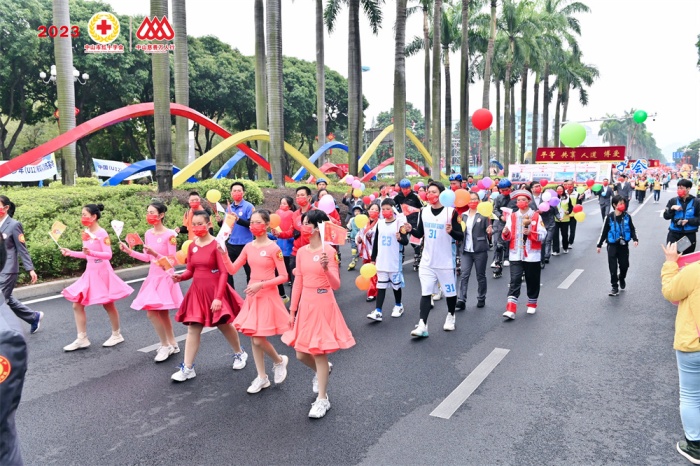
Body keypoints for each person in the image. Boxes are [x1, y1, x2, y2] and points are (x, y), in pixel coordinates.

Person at [282, 210, 355, 419]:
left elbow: (336, 284)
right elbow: (298, 282)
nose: (303, 226)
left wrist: (326, 268)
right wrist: (292, 311)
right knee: (300, 353)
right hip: (306, 304)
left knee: (318, 351)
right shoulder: (302, 252)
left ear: (317, 227)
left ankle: (323, 399)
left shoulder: (328, 251)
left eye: (307, 223)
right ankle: (322, 370)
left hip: (323, 302)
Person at [171, 210, 247, 382]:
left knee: (224, 325)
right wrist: (180, 277)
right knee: (193, 328)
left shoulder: (217, 244)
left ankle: (239, 353)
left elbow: (223, 273)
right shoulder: (192, 245)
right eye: (194, 224)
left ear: (209, 224)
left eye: (200, 224)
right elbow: (191, 270)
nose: (196, 227)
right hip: (197, 292)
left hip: (215, 291)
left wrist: (218, 298)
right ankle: (188, 368)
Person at [220, 210, 290, 394]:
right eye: (251, 222)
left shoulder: (274, 248)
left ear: (266, 224)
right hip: (253, 295)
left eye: (257, 222)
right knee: (254, 337)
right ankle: (262, 377)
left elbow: (284, 276)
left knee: (258, 339)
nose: (253, 225)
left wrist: (261, 284)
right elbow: (232, 270)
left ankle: (279, 361)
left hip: (267, 294)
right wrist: (224, 254)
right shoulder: (248, 247)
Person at [61, 204, 134, 351]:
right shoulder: (86, 232)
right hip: (90, 272)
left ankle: (116, 334)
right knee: (77, 304)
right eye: (81, 215)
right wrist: (71, 253)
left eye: (85, 215)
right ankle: (82, 338)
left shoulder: (102, 233)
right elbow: (87, 254)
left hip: (102, 272)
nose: (82, 217)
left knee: (108, 304)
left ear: (94, 216)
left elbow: (108, 254)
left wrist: (91, 253)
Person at [119, 202, 182, 362]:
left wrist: (156, 254)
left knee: (152, 313)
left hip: (165, 277)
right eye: (148, 212)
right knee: (162, 313)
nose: (149, 215)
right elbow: (147, 257)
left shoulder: (170, 235)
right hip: (153, 277)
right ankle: (172, 344)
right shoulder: (148, 233)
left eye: (152, 212)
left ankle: (165, 345)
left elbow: (172, 261)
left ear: (161, 215)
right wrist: (129, 251)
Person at [660, 241, 700, 464]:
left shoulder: (695, 271)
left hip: (693, 343)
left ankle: (694, 446)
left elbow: (670, 292)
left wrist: (670, 263)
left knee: (691, 395)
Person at [406, 181, 464, 335]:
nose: (430, 195)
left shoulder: (451, 212)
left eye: (434, 192)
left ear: (442, 194)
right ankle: (422, 325)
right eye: (428, 192)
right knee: (426, 293)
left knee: (450, 294)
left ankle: (451, 315)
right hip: (427, 261)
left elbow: (460, 236)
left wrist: (451, 231)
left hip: (445, 262)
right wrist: (410, 229)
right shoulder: (424, 212)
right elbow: (420, 233)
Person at [501, 190, 547, 319]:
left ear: (529, 201)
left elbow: (543, 234)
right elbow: (507, 236)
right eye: (518, 200)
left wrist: (531, 233)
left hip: (532, 255)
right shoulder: (512, 216)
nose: (520, 202)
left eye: (523, 200)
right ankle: (511, 309)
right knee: (514, 280)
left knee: (532, 280)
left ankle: (532, 303)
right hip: (515, 254)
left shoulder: (536, 216)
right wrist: (505, 232)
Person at [0, 196, 41, 334]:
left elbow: (22, 248)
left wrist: (30, 269)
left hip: (8, 269)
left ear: (6, 208)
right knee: (7, 299)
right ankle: (33, 317)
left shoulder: (14, 225)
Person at [366, 199, 409, 321]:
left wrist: (400, 238)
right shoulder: (379, 223)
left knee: (396, 286)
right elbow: (376, 242)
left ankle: (398, 305)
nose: (385, 211)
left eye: (388, 209)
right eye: (383, 209)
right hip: (382, 260)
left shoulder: (399, 223)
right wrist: (373, 258)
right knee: (381, 286)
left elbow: (405, 241)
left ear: (393, 209)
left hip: (394, 260)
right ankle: (378, 311)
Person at [596, 195, 638, 296]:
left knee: (624, 265)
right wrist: (599, 244)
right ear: (614, 205)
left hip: (623, 245)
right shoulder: (609, 217)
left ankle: (622, 277)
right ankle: (614, 286)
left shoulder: (627, 216)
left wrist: (635, 239)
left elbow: (632, 229)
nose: (622, 205)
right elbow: (604, 231)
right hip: (612, 245)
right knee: (613, 267)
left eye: (623, 203)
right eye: (620, 203)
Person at [455, 192, 492, 311]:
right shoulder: (463, 215)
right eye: (470, 200)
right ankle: (461, 300)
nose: (472, 201)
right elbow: (459, 231)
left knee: (480, 275)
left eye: (475, 199)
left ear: (479, 200)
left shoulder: (483, 215)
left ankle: (481, 297)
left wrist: (489, 231)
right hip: (466, 250)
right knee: (464, 275)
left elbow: (489, 230)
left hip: (480, 249)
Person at [276, 186, 315, 278]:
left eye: (302, 195)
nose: (299, 197)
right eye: (297, 196)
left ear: (309, 197)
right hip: (296, 252)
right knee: (296, 280)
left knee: (310, 279)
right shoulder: (295, 214)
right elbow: (292, 231)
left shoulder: (316, 212)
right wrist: (280, 234)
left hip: (312, 251)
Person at [225, 182, 254, 289]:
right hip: (231, 244)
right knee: (226, 270)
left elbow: (251, 224)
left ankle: (251, 295)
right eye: (234, 191)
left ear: (243, 193)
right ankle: (231, 294)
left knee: (250, 273)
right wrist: (219, 222)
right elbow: (227, 226)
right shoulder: (229, 208)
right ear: (231, 193)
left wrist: (238, 219)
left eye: (239, 191)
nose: (236, 192)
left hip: (246, 245)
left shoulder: (249, 206)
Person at [394, 178, 424, 271]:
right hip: (403, 221)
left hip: (414, 220)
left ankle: (417, 255)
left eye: (407, 188)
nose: (405, 190)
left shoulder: (415, 196)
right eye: (403, 189)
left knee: (414, 240)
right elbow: (393, 206)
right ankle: (401, 254)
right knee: (402, 238)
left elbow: (422, 207)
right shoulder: (398, 197)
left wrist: (414, 210)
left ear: (410, 187)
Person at [663, 179, 700, 254]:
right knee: (672, 255)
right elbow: (666, 216)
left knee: (686, 257)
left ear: (688, 189)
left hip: (689, 235)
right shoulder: (673, 201)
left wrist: (688, 221)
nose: (679, 190)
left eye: (682, 188)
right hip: (674, 233)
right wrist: (671, 208)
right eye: (678, 188)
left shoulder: (696, 202)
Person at [356, 202, 380, 302]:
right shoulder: (364, 223)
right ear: (368, 210)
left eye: (376, 210)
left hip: (376, 252)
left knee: (374, 273)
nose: (374, 211)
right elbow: (360, 234)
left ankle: (372, 292)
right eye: (372, 209)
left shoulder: (380, 223)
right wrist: (358, 239)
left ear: (379, 212)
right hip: (366, 251)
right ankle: (372, 288)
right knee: (368, 273)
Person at [531, 182, 557, 269]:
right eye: (536, 186)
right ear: (532, 189)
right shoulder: (529, 198)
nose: (538, 187)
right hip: (533, 223)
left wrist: (544, 210)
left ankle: (543, 258)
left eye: (539, 186)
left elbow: (553, 208)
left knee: (544, 241)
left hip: (547, 223)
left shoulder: (546, 197)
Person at [491, 179, 513, 278]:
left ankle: (507, 258)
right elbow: (495, 209)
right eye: (502, 190)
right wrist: (500, 216)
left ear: (510, 188)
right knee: (498, 243)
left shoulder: (515, 197)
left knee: (509, 241)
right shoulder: (498, 197)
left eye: (506, 190)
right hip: (500, 222)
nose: (504, 192)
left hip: (512, 222)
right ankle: (497, 264)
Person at [275, 196, 296, 295]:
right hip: (279, 249)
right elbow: (275, 234)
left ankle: (291, 281)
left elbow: (292, 235)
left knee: (289, 267)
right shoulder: (278, 214)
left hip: (289, 249)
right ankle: (282, 293)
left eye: (284, 203)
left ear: (290, 206)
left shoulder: (293, 216)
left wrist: (286, 235)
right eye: (281, 203)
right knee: (278, 269)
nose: (281, 205)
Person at [552, 185, 573, 256]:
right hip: (555, 219)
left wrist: (568, 211)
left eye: (561, 189)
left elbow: (571, 207)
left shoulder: (567, 197)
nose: (559, 191)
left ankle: (565, 248)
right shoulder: (553, 198)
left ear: (563, 190)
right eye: (558, 189)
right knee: (555, 235)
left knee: (564, 234)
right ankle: (556, 250)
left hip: (565, 219)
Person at [564, 180, 585, 248]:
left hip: (573, 214)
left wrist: (580, 199)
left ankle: (570, 242)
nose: (569, 186)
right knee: (564, 230)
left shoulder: (577, 194)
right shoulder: (563, 193)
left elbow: (579, 205)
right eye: (568, 184)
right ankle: (565, 242)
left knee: (572, 230)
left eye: (571, 184)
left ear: (573, 185)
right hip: (565, 215)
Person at [346, 205, 363, 271]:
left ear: (361, 212)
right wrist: (348, 236)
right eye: (355, 211)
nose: (357, 212)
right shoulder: (352, 219)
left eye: (358, 211)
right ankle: (353, 260)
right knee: (353, 250)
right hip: (353, 237)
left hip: (360, 239)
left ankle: (356, 258)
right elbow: (349, 228)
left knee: (360, 251)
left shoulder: (363, 219)